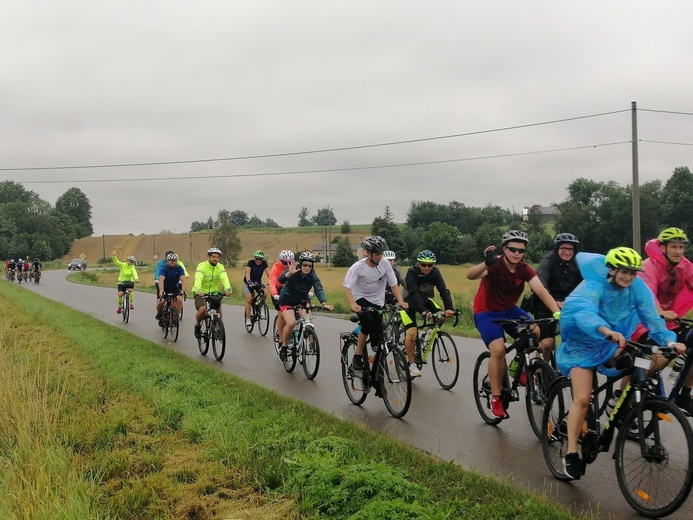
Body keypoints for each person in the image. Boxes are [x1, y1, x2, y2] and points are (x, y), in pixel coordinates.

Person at [557, 247, 686, 480]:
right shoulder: (592, 285)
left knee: (635, 362)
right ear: (612, 269)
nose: (629, 277)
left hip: (610, 342)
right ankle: (571, 454)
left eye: (633, 273)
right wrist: (605, 329)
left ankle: (619, 401)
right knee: (584, 399)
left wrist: (669, 340)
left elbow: (651, 316)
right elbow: (583, 312)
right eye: (624, 272)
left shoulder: (636, 287)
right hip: (582, 344)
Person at [467, 230, 560, 419]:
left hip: (510, 310)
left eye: (521, 250)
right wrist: (486, 262)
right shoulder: (494, 264)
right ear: (504, 249)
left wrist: (558, 313)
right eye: (512, 249)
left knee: (535, 331)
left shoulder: (524, 268)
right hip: (486, 312)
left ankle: (517, 365)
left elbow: (541, 291)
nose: (517, 253)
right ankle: (496, 398)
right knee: (498, 350)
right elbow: (470, 275)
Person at [632, 227, 693, 414]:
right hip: (643, 321)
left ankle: (683, 395)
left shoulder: (684, 265)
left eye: (681, 247)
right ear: (663, 248)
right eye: (673, 247)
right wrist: (660, 312)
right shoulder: (649, 266)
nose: (678, 251)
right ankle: (622, 393)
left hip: (670, 322)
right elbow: (647, 297)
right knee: (654, 359)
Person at [343, 236, 408, 376]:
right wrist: (353, 304)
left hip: (378, 300)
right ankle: (358, 356)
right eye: (377, 253)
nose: (380, 257)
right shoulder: (358, 268)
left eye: (382, 253)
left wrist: (401, 301)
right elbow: (347, 288)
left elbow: (394, 284)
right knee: (368, 323)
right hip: (360, 299)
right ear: (368, 252)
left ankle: (377, 371)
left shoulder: (385, 264)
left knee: (380, 331)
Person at [400, 250, 454, 378]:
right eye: (424, 264)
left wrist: (449, 308)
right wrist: (424, 312)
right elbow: (413, 294)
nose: (427, 268)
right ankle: (412, 364)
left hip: (425, 300)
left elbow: (443, 290)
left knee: (441, 317)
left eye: (430, 265)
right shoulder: (412, 272)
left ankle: (429, 334)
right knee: (412, 332)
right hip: (408, 303)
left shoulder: (435, 272)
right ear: (418, 264)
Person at [530, 233, 583, 360]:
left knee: (577, 341)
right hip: (545, 304)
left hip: (568, 304)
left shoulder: (577, 263)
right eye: (563, 248)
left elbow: (585, 284)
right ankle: (539, 373)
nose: (567, 252)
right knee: (547, 343)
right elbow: (539, 283)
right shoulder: (548, 261)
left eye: (570, 249)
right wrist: (554, 301)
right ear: (557, 249)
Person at [277, 252, 333, 360]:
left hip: (301, 300)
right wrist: (289, 273)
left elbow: (318, 287)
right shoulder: (294, 270)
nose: (307, 268)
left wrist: (324, 303)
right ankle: (284, 346)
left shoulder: (312, 274)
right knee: (291, 322)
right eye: (305, 265)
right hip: (287, 300)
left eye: (310, 266)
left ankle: (312, 346)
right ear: (301, 264)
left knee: (309, 322)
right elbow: (281, 279)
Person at [191, 247, 232, 339]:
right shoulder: (202, 266)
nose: (215, 259)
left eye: (217, 257)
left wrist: (228, 288)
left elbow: (224, 278)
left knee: (218, 308)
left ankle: (218, 329)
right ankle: (197, 326)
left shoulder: (220, 267)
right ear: (209, 257)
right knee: (202, 309)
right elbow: (198, 278)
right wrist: (198, 290)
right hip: (200, 291)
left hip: (214, 291)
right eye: (213, 257)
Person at [269, 250, 295, 342]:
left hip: (288, 291)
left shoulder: (294, 267)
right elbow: (272, 281)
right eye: (285, 263)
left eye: (290, 262)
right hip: (278, 291)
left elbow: (302, 282)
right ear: (281, 261)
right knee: (281, 315)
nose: (288, 265)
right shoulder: (276, 267)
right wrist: (275, 294)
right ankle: (281, 338)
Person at [155, 252, 186, 323]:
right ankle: (159, 313)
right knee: (161, 302)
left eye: (174, 261)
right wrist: (161, 291)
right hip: (165, 288)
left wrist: (183, 290)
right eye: (171, 260)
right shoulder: (164, 268)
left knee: (179, 300)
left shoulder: (179, 268)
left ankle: (176, 317)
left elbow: (183, 280)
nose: (173, 262)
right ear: (167, 261)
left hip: (174, 288)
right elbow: (161, 280)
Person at [244, 250, 270, 326]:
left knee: (264, 294)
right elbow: (247, 272)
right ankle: (248, 319)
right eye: (257, 259)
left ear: (262, 259)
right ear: (254, 258)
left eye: (260, 259)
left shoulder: (264, 263)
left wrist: (272, 281)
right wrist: (249, 281)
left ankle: (260, 307)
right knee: (249, 300)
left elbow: (269, 272)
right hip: (248, 283)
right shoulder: (250, 262)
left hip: (258, 282)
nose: (258, 261)